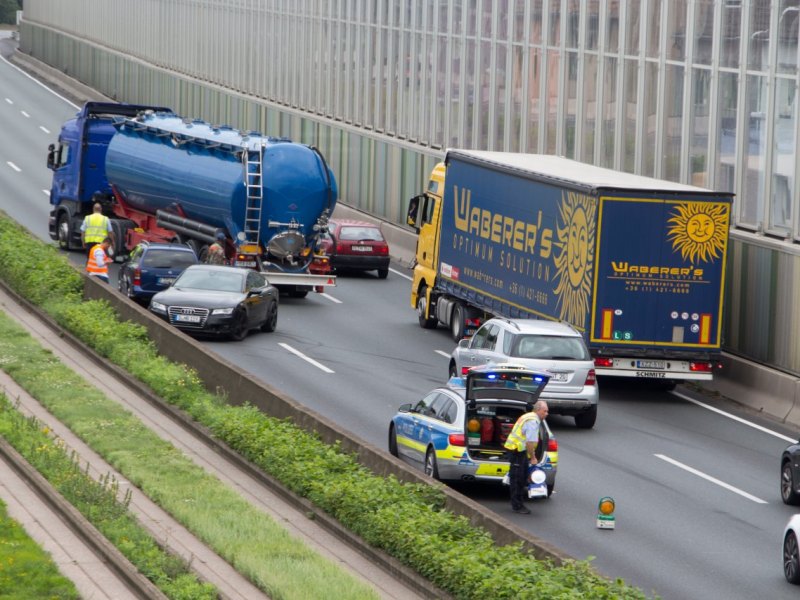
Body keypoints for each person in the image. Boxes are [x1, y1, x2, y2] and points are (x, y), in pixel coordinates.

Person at [503, 400, 549, 514]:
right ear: (538, 410)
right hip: (517, 451)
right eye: (545, 411)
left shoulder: (529, 416)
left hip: (518, 451)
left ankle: (518, 502)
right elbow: (529, 442)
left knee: (520, 476)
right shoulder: (532, 421)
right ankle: (517, 505)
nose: (547, 413)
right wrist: (533, 457)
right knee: (518, 479)